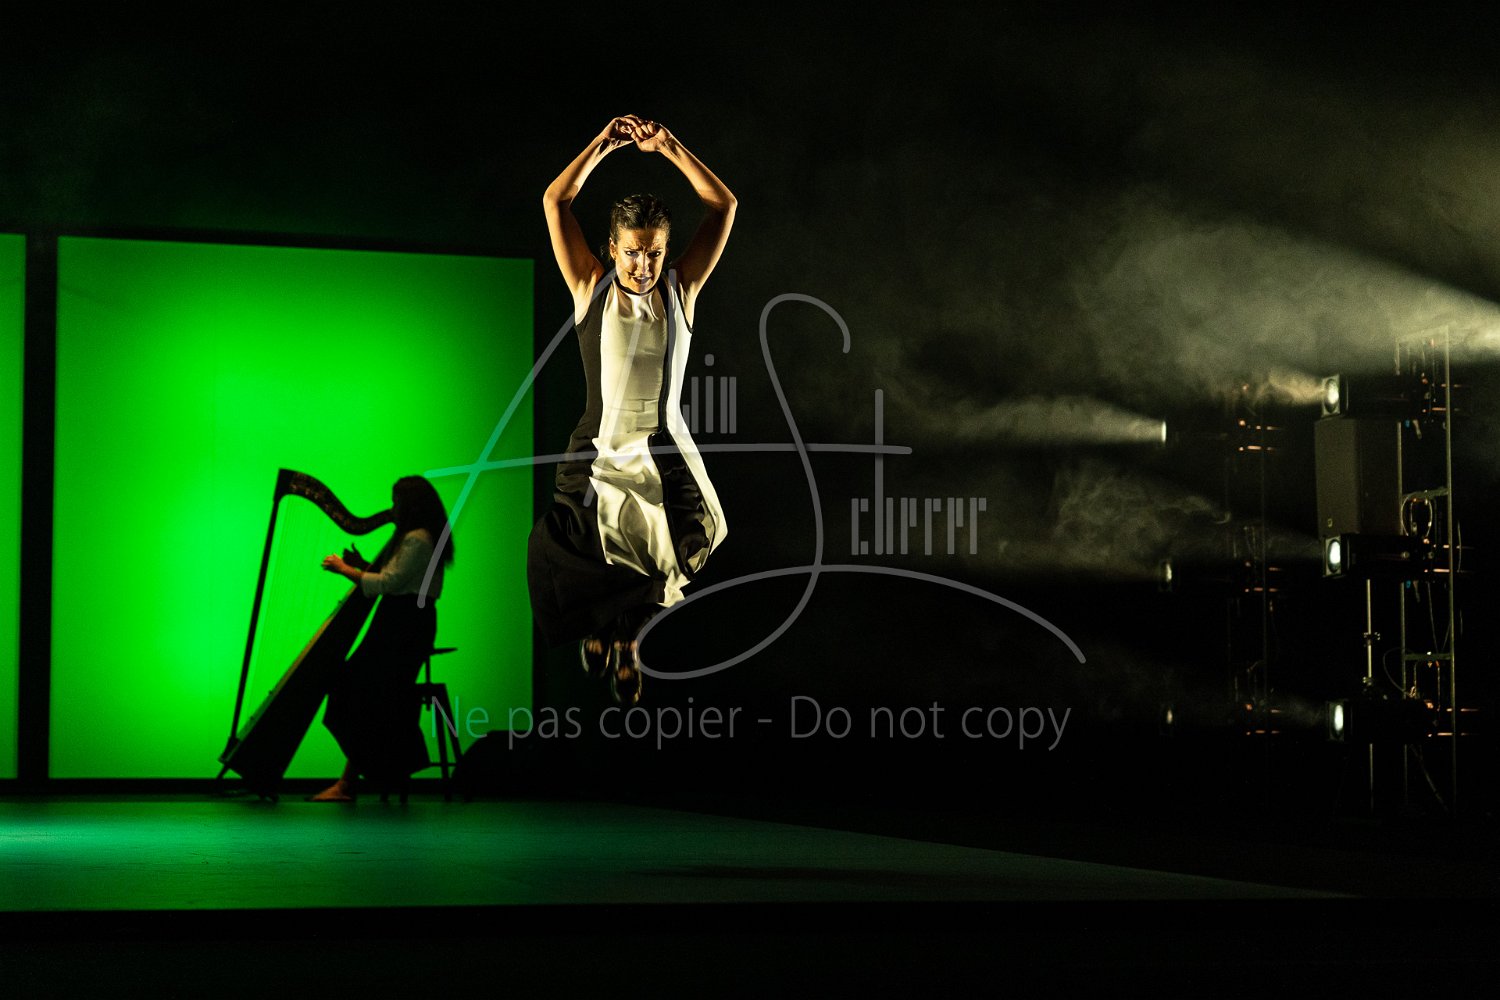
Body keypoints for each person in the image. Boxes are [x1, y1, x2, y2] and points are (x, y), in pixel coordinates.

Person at [528, 114, 736, 705]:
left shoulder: (680, 291)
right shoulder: (590, 289)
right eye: (632, 254)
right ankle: (608, 631)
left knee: (684, 546)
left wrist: (669, 147)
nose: (643, 266)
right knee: (578, 546)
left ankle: (629, 639)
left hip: (664, 448)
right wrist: (603, 144)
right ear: (613, 248)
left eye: (654, 253)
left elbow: (723, 206)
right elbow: (556, 200)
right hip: (600, 447)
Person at [309, 475, 455, 802]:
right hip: (403, 622)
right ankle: (351, 781)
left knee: (354, 689)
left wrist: (344, 569)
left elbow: (390, 583)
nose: (392, 508)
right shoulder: (421, 537)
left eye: (396, 501)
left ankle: (353, 781)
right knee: (369, 695)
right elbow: (398, 578)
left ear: (409, 505)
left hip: (402, 626)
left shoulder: (418, 538)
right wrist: (362, 566)